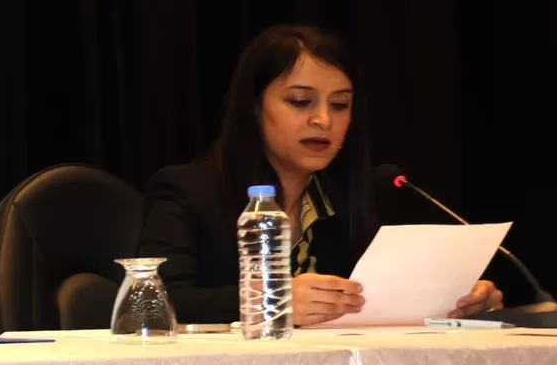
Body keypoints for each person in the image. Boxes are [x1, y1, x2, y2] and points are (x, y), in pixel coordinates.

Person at [138, 23, 501, 326]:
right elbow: (155, 304)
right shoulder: (187, 191)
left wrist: (456, 300)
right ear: (253, 108)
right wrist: (273, 301)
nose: (323, 120)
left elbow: (378, 303)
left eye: (340, 105)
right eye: (300, 101)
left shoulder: (351, 197)